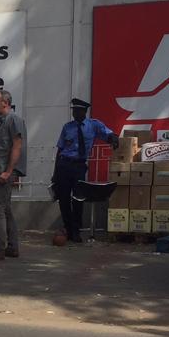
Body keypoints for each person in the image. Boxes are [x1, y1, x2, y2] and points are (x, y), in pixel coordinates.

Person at [52, 98, 118, 243]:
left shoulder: (93, 125)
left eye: (78, 111)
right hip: (64, 165)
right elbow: (60, 150)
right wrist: (55, 174)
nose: (75, 113)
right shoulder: (67, 127)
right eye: (73, 111)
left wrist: (113, 139)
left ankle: (76, 231)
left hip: (79, 166)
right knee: (63, 199)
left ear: (84, 112)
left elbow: (108, 134)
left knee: (78, 199)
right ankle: (68, 229)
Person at [0, 90, 26, 261]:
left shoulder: (13, 120)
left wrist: (8, 171)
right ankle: (12, 247)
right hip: (1, 171)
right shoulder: (3, 123)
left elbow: (17, 146)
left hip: (5, 173)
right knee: (6, 209)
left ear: (5, 103)